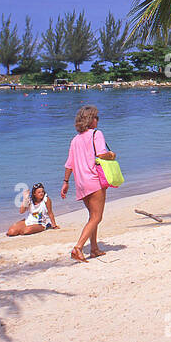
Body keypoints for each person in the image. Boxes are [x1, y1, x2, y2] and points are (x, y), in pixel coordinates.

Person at [60, 105, 113, 262]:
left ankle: (94, 248)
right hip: (94, 180)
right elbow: (101, 154)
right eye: (96, 117)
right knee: (97, 217)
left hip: (80, 183)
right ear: (91, 120)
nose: (98, 120)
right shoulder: (97, 134)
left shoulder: (75, 140)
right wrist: (111, 154)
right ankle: (78, 247)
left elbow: (69, 163)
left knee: (92, 216)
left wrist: (65, 182)